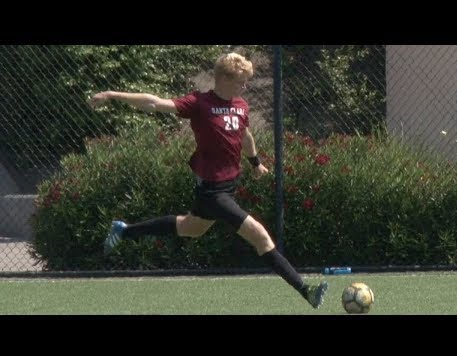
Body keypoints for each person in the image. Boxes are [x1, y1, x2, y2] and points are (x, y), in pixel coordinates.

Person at [88, 52, 328, 308]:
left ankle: (124, 231)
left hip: (227, 187)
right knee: (261, 237)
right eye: (241, 82)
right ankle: (306, 290)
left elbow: (244, 136)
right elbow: (155, 103)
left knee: (192, 228)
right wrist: (113, 95)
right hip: (213, 192)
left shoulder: (241, 106)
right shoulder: (199, 103)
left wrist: (255, 162)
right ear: (224, 78)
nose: (244, 87)